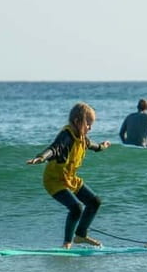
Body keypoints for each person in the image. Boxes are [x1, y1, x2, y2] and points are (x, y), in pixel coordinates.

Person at [27, 102, 111, 249]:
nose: (90, 128)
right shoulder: (66, 136)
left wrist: (102, 146)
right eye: (88, 124)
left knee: (94, 202)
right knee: (76, 208)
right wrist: (41, 157)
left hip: (70, 179)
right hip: (54, 180)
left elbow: (94, 146)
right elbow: (55, 148)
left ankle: (81, 235)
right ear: (78, 122)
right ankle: (67, 243)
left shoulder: (82, 138)